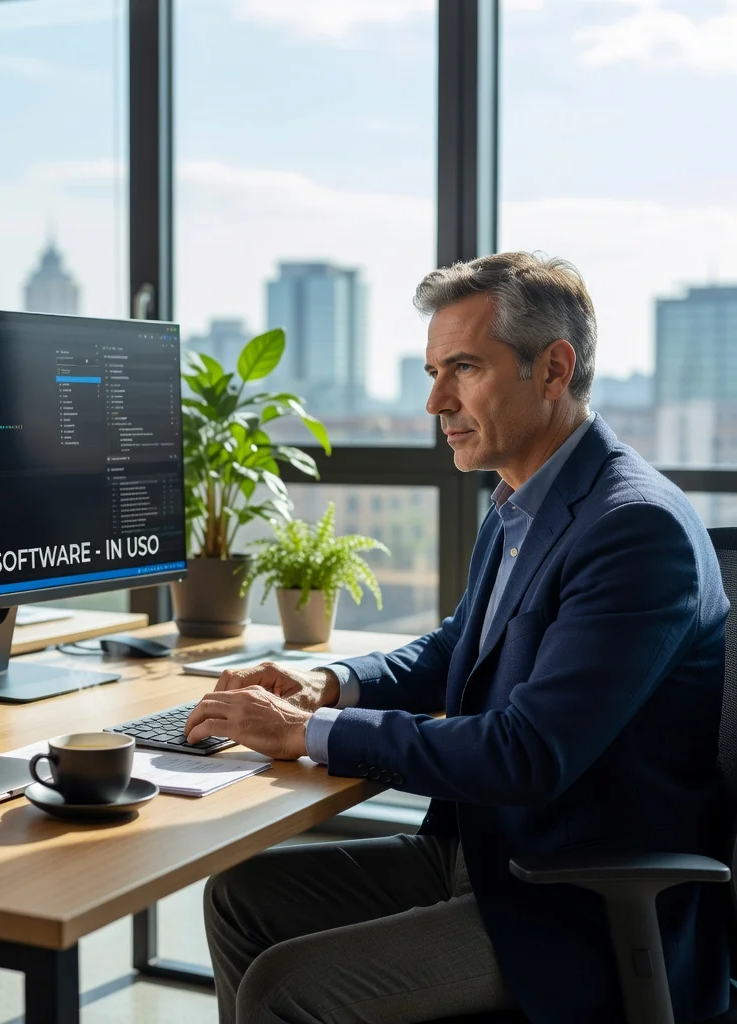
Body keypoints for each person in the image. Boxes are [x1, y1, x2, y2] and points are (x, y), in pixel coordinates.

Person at [185, 252, 730, 1024]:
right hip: (479, 852)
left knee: (287, 989)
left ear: (552, 369)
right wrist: (331, 686)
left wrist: (310, 733)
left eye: (463, 369)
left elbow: (527, 752)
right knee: (242, 897)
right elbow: (454, 653)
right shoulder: (520, 499)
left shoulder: (633, 528)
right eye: (434, 370)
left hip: (572, 898)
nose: (436, 400)